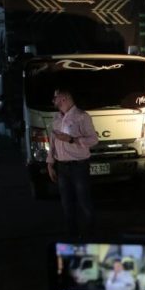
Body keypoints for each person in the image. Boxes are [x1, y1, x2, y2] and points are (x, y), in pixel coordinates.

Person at [46, 89, 99, 238]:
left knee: (84, 202)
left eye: (55, 98)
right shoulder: (56, 118)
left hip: (79, 166)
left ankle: (90, 235)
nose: (53, 101)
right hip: (62, 167)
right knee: (67, 204)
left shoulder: (82, 117)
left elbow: (93, 140)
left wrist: (71, 139)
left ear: (64, 98)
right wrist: (50, 163)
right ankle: (72, 236)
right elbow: (53, 142)